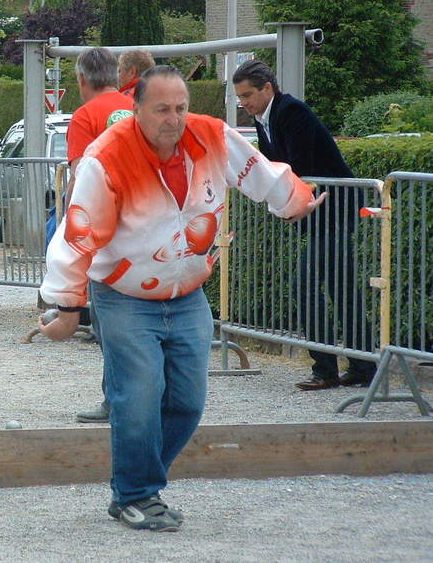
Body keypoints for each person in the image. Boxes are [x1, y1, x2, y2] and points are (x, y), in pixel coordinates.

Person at [40, 66, 324, 531]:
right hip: (124, 295)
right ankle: (136, 493)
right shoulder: (105, 158)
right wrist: (68, 306)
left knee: (188, 402)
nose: (174, 119)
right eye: (162, 110)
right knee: (138, 397)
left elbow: (258, 171)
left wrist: (293, 200)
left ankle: (136, 484)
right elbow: (78, 235)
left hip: (188, 291)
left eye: (181, 108)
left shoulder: (211, 135)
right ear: (135, 109)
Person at [233, 60, 376, 390]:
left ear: (267, 88)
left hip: (333, 209)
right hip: (319, 213)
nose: (244, 103)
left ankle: (326, 369)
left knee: (306, 286)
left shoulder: (291, 111)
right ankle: (362, 366)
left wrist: (284, 203)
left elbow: (296, 167)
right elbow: (276, 168)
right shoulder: (264, 118)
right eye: (240, 97)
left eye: (248, 95)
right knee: (342, 289)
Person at [66, 48, 135, 424]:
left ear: (82, 79)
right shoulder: (138, 106)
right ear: (116, 75)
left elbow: (82, 177)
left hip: (107, 232)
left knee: (108, 322)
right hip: (144, 225)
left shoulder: (85, 116)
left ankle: (116, 400)